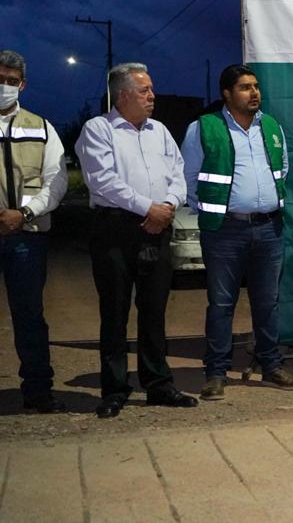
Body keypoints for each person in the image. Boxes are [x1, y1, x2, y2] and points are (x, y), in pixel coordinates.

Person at [75, 63, 198, 418]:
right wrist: (149, 208)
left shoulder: (159, 131)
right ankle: (114, 389)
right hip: (115, 230)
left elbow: (178, 174)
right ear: (123, 95)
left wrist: (169, 205)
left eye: (151, 89)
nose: (152, 96)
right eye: (145, 90)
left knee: (155, 310)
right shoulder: (98, 130)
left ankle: (158, 384)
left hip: (159, 229)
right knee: (114, 312)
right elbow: (104, 183)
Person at [182, 64, 293, 401]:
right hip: (225, 231)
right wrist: (213, 210)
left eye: (256, 87)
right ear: (227, 93)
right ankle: (216, 372)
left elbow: (283, 168)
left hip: (269, 228)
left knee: (268, 302)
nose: (255, 93)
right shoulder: (204, 128)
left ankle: (271, 364)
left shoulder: (271, 127)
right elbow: (187, 177)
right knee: (221, 304)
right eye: (246, 87)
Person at [0, 50, 68, 413]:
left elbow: (56, 183)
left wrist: (23, 213)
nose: (5, 87)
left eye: (12, 81)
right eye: (1, 79)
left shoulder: (42, 128)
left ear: (22, 85)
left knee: (29, 316)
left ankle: (38, 392)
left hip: (27, 233)